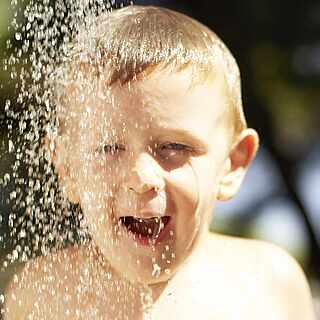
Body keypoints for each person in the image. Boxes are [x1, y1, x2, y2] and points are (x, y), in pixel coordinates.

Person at [4, 5, 315, 319]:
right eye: (108, 147)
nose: (140, 178)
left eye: (173, 146)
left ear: (231, 164)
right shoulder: (43, 293)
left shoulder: (268, 283)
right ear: (68, 168)